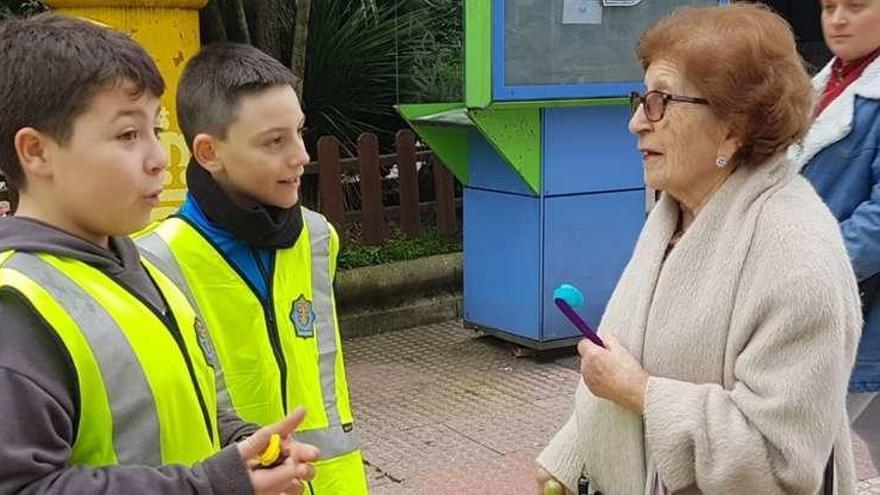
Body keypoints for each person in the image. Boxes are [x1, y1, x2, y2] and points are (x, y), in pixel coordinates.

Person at [536, 4, 862, 494]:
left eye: (661, 101)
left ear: (734, 126)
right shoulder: (676, 213)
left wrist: (642, 393)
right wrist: (566, 458)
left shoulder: (796, 255)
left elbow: (777, 465)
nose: (637, 123)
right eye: (641, 98)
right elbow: (623, 355)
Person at [0, 13, 319, 494]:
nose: (158, 157)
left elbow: (189, 406)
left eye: (156, 130)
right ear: (37, 152)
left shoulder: (139, 268)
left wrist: (245, 446)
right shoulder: (18, 306)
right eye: (128, 135)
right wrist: (207, 485)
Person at [135, 42, 368, 493]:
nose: (301, 155)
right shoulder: (154, 263)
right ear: (208, 153)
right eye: (275, 141)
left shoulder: (319, 238)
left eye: (299, 132)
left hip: (334, 481)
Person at [790, 0, 880, 470]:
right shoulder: (825, 84)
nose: (838, 19)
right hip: (831, 300)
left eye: (856, 6)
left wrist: (811, 266)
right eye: (828, 7)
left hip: (857, 303)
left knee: (801, 453)